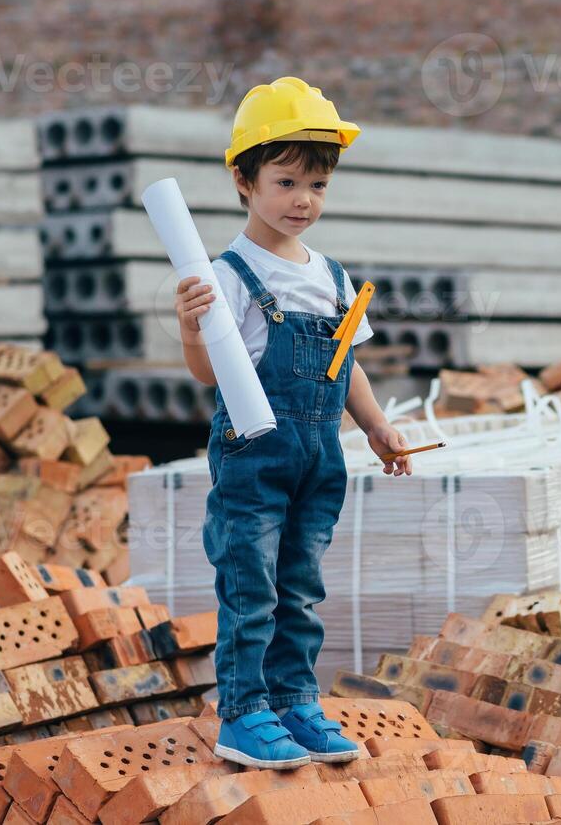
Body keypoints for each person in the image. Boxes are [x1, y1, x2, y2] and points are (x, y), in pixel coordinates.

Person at [172, 76, 413, 769]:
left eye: (317, 185)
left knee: (301, 588)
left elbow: (348, 365)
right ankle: (243, 714)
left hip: (320, 460)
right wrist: (191, 330)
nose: (302, 200)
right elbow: (209, 373)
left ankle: (295, 701)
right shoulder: (227, 273)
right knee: (252, 586)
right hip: (253, 458)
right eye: (285, 182)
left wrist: (375, 427)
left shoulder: (334, 278)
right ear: (243, 181)